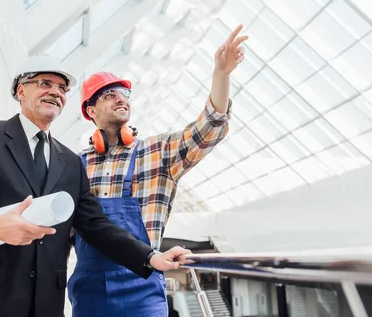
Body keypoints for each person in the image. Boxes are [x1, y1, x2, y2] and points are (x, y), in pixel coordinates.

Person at [0, 55, 192, 317]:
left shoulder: (69, 161)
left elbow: (95, 226)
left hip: (45, 304)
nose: (55, 92)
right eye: (45, 83)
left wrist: (150, 257)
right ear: (21, 91)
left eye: (62, 88)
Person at [68, 24, 248, 316]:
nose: (121, 98)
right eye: (109, 94)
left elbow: (210, 128)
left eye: (124, 93)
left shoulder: (157, 153)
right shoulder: (75, 165)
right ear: (90, 110)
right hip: (90, 294)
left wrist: (222, 74)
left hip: (143, 289)